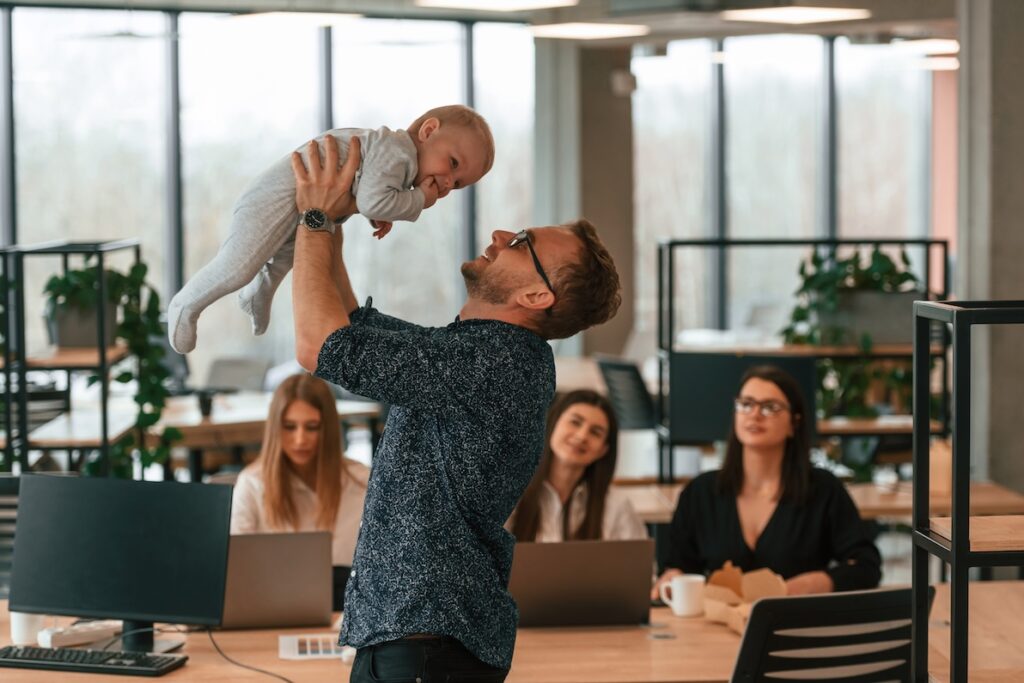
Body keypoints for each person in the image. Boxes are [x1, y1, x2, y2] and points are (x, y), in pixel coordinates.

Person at [289, 135, 621, 682]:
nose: (497, 236)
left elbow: (316, 345)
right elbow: (349, 326)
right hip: (416, 640)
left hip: (427, 646)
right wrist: (337, 220)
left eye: (519, 242)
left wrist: (317, 217)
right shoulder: (474, 354)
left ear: (537, 297)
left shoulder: (498, 363)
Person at [167, 104, 495, 354]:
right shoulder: (398, 151)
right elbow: (371, 200)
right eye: (452, 164)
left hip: (298, 204)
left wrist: (380, 207)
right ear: (428, 131)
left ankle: (257, 294)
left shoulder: (394, 156)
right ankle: (185, 305)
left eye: (459, 184)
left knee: (283, 259)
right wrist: (417, 200)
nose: (448, 182)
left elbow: (360, 191)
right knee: (238, 266)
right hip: (273, 197)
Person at [652, 365, 881, 599]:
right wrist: (672, 577)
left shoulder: (823, 490)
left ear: (795, 422)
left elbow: (866, 566)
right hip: (716, 625)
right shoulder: (700, 492)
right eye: (746, 404)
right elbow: (678, 565)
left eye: (770, 407)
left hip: (797, 623)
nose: (755, 414)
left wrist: (814, 583)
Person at [230, 373, 368, 570]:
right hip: (274, 599)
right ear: (275, 429)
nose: (300, 440)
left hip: (344, 597)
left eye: (312, 427)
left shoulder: (361, 482)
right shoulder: (252, 484)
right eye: (289, 427)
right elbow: (237, 568)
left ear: (327, 429)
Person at [510, 390, 646, 542]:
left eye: (595, 432)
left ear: (603, 450)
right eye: (575, 422)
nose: (582, 436)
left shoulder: (616, 506)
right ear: (552, 423)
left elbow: (637, 564)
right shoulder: (509, 496)